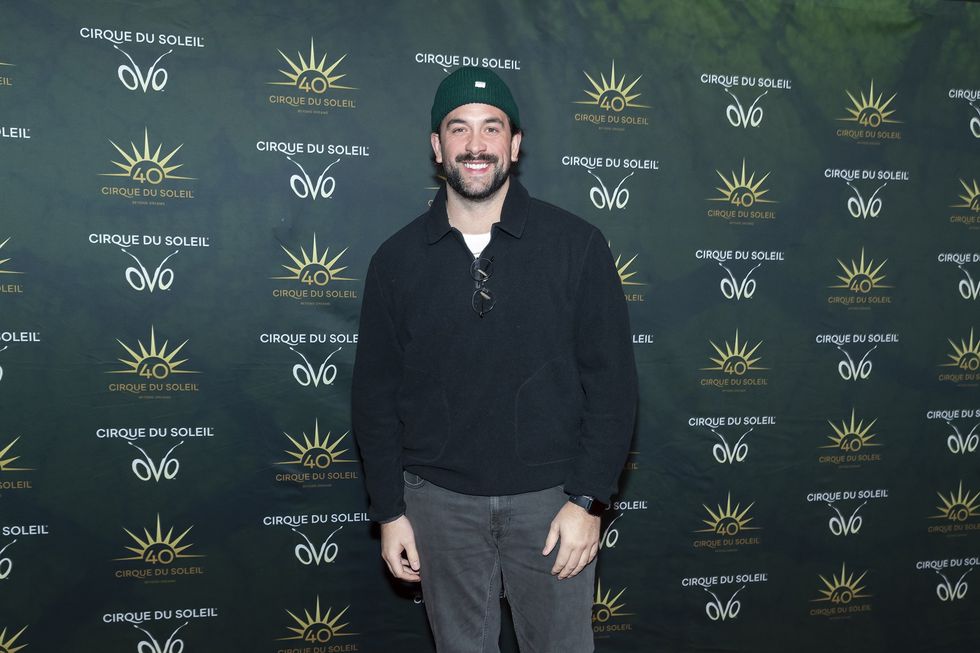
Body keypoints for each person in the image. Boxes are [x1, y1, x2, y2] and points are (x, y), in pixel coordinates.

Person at [352, 66, 637, 652]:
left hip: (553, 507)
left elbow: (613, 386)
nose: (475, 144)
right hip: (437, 508)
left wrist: (588, 502)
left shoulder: (577, 245)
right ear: (437, 147)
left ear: (515, 143)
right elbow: (374, 397)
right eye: (458, 129)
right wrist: (390, 513)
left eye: (492, 127)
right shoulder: (396, 260)